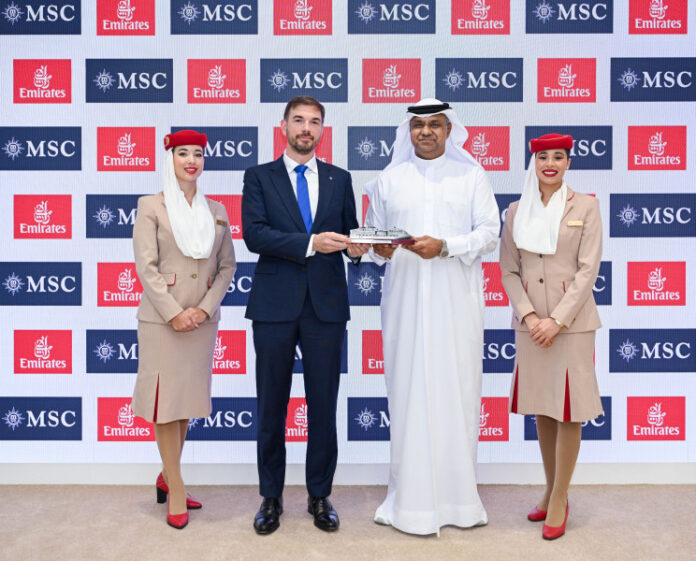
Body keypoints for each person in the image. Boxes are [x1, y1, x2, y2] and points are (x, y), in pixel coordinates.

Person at [364, 98, 500, 536]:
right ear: (409, 131)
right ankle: (409, 502)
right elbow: (376, 240)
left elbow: (489, 233)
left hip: (456, 305)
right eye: (418, 125)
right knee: (407, 394)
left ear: (448, 130)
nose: (426, 132)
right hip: (403, 305)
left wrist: (445, 247)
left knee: (456, 392)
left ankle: (460, 503)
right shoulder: (389, 179)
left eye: (435, 125)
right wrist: (377, 248)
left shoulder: (471, 175)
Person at [242, 96, 369, 535]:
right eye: (298, 120)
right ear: (283, 126)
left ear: (322, 130)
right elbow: (255, 235)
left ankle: (319, 495)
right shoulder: (259, 176)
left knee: (323, 406)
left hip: (326, 307)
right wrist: (312, 243)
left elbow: (350, 234)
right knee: (270, 406)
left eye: (314, 122)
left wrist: (357, 249)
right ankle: (270, 497)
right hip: (274, 306)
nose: (306, 128)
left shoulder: (340, 178)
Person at [500, 133, 603, 540]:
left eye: (558, 157)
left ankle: (560, 498)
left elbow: (587, 271)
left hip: (571, 326)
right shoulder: (515, 210)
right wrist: (530, 316)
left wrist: (556, 320)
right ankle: (549, 488)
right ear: (534, 163)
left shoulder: (587, 206)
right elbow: (509, 270)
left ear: (568, 163)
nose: (550, 164)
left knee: (569, 410)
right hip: (530, 327)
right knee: (544, 408)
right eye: (543, 157)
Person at [131, 129, 236, 529]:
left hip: (201, 324)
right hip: (162, 322)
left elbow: (227, 266)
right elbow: (146, 267)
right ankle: (175, 486)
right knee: (165, 403)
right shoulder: (150, 206)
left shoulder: (217, 210)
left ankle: (167, 474)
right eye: (183, 154)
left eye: (198, 154)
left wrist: (204, 310)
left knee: (185, 403)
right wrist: (175, 312)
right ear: (170, 159)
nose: (192, 160)